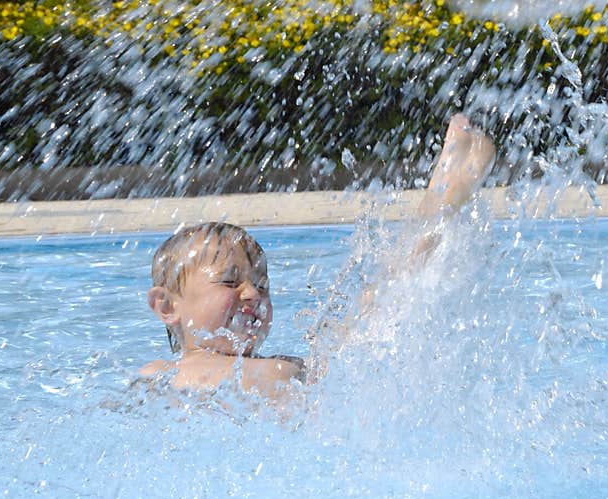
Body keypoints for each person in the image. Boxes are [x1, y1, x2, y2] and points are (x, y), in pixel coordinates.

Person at [139, 113, 496, 398]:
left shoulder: (288, 368)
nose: (253, 294)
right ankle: (442, 200)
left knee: (375, 307)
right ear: (167, 307)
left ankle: (441, 202)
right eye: (230, 281)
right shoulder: (159, 376)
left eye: (263, 286)